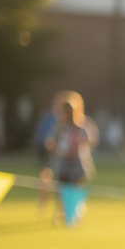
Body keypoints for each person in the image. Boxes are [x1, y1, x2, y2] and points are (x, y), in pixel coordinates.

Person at [48, 97, 97, 226]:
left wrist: (83, 142)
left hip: (78, 164)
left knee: (76, 190)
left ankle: (75, 214)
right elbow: (52, 142)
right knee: (61, 190)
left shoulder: (81, 126)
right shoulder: (59, 127)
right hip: (64, 163)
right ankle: (62, 213)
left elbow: (92, 142)